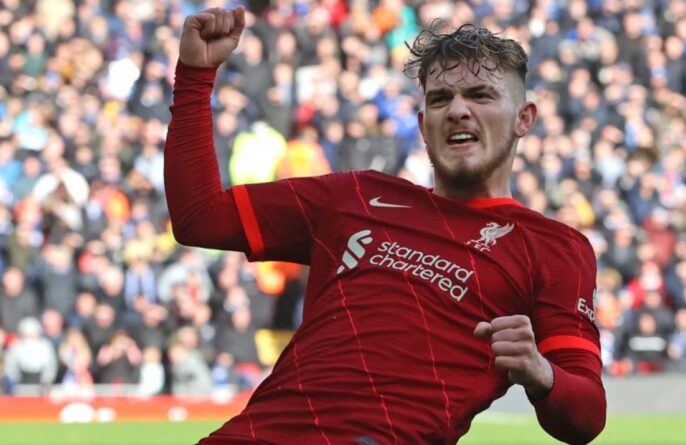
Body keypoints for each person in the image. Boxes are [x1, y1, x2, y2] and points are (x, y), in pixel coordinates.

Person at [165, 6, 605, 445]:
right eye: (440, 99)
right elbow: (199, 218)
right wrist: (195, 76)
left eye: (480, 95)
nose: (457, 110)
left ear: (524, 118)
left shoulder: (552, 246)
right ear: (423, 125)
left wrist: (540, 372)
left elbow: (586, 417)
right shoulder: (354, 196)